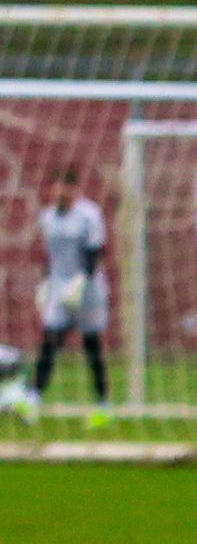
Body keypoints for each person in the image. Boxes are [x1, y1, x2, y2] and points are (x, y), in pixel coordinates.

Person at [30, 165, 110, 417]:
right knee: (50, 340)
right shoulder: (48, 217)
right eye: (56, 188)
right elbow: (50, 255)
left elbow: (96, 252)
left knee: (91, 343)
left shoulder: (90, 216)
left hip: (87, 289)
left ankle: (102, 401)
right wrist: (45, 283)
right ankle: (33, 396)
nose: (60, 193)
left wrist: (81, 282)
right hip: (59, 287)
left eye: (65, 187)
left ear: (75, 189)